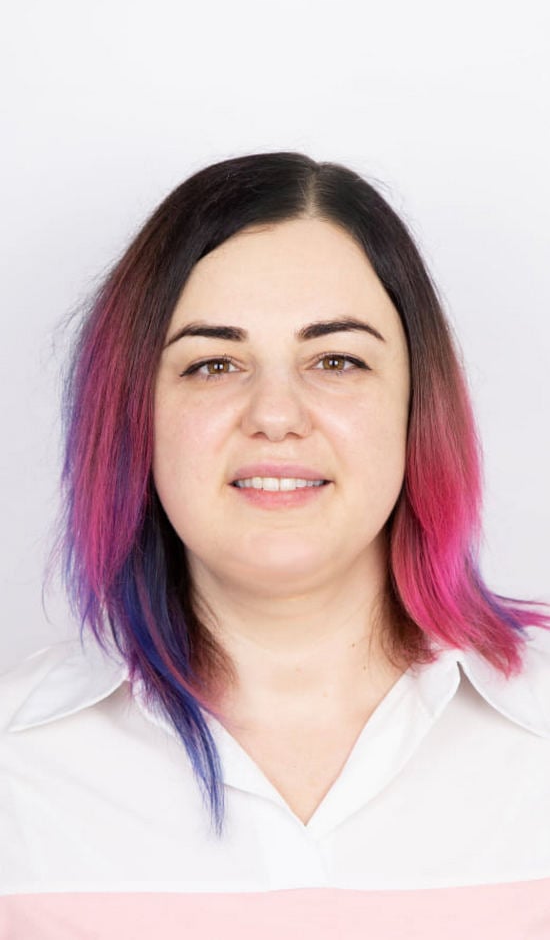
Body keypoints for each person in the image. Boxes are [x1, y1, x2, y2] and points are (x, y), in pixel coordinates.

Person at [1, 151, 549, 938]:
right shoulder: (15, 766)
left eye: (337, 359)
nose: (275, 415)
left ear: (416, 405)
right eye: (213, 364)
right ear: (132, 416)